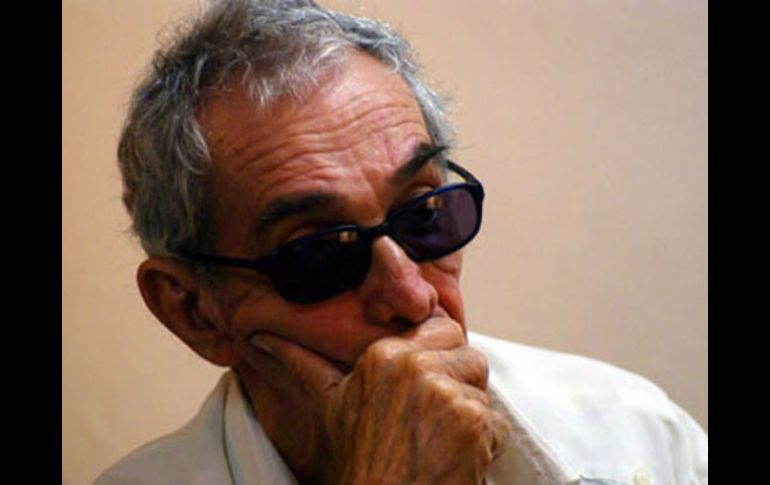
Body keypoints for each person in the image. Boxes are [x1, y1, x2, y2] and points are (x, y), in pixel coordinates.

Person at [94, 0, 708, 483]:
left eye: (423, 214)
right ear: (194, 311)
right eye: (321, 251)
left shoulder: (640, 438)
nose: (413, 297)